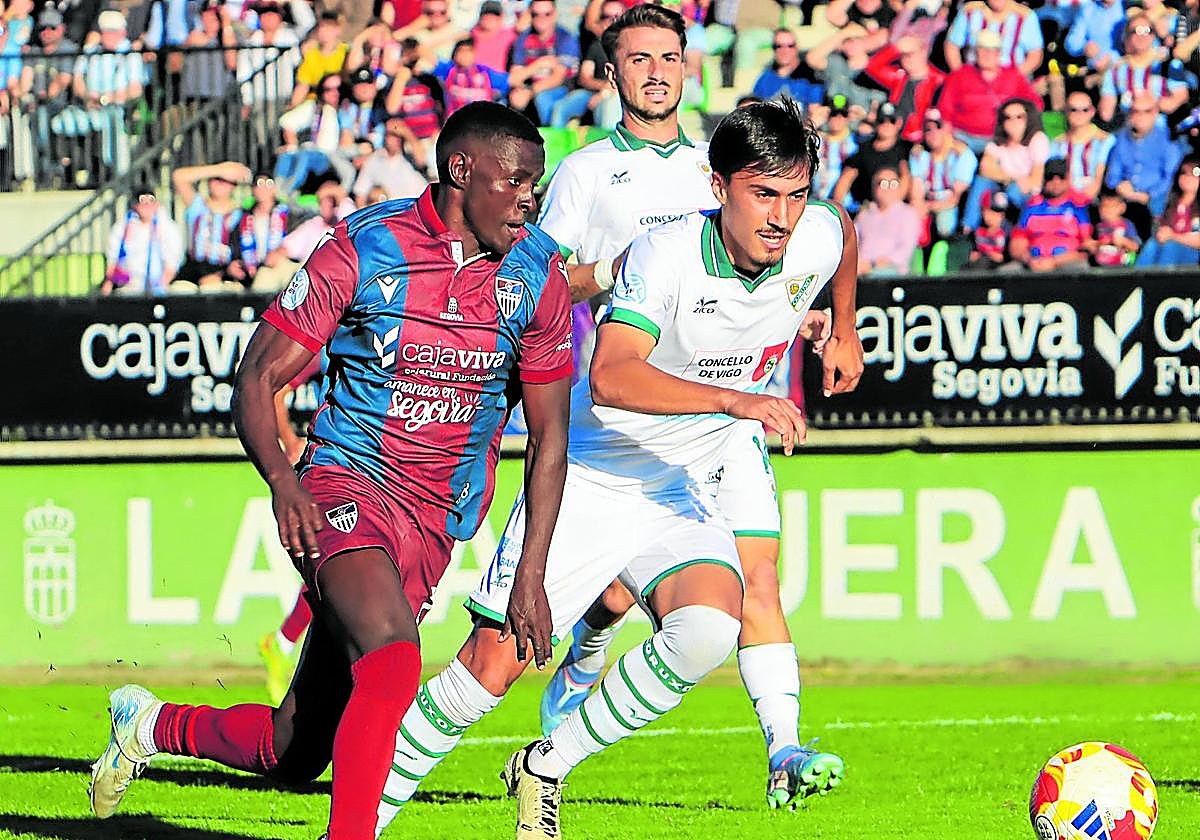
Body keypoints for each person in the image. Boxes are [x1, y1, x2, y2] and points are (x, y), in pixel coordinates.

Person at [372, 98, 864, 839]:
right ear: (718, 185)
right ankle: (361, 822)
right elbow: (609, 376)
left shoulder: (814, 234)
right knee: (492, 668)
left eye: (795, 195)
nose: (782, 217)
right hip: (596, 474)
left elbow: (842, 233)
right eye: (763, 194)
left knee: (707, 628)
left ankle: (545, 765)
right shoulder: (665, 254)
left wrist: (845, 327)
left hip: (677, 485)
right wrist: (737, 400)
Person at [87, 101, 574, 840]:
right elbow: (257, 378)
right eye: (514, 182)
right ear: (460, 170)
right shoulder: (365, 246)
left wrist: (529, 573)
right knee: (393, 658)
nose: (527, 200)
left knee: (295, 748)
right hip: (345, 484)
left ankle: (150, 724)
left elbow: (549, 438)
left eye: (534, 185)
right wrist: (285, 483)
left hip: (434, 523)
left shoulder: (538, 274)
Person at [937, 28, 1040, 155]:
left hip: (1001, 140)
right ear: (976, 52)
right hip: (963, 138)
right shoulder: (959, 76)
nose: (987, 54)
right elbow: (945, 111)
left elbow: (1035, 105)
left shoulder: (1014, 77)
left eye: (992, 50)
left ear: (999, 53)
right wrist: (947, 143)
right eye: (982, 49)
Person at [1104, 94, 1186, 238]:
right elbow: (1113, 174)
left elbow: (1171, 177)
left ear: (1155, 112)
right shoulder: (1121, 138)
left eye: (1147, 111)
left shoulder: (1168, 140)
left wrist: (1149, 195)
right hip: (1126, 198)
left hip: (1157, 200)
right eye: (1135, 111)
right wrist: (1120, 185)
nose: (1140, 116)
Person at [962, 98, 1048, 232]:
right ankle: (968, 229)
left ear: (1028, 118)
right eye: (1008, 117)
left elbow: (1035, 180)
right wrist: (1014, 178)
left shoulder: (1037, 139)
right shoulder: (998, 141)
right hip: (1007, 183)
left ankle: (1011, 232)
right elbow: (985, 168)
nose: (1013, 122)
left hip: (1027, 192)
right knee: (981, 182)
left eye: (1019, 117)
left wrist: (1012, 180)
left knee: (1015, 190)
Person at [172, 160, 249, 290]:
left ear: (233, 185)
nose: (219, 183)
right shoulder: (198, 206)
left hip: (224, 273)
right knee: (178, 290)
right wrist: (220, 169)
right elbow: (178, 177)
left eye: (225, 180)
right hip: (194, 270)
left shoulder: (240, 214)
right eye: (216, 179)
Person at [1008, 157, 1091, 272]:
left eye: (1061, 177)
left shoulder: (1078, 207)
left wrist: (1054, 261)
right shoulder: (1031, 208)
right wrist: (1029, 260)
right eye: (1050, 177)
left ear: (1068, 178)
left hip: (1067, 263)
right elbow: (1017, 244)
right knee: (1007, 272)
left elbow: (1087, 248)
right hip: (1033, 263)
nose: (1056, 182)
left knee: (1080, 268)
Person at [506, 0, 580, 126]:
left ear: (555, 14)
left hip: (563, 90)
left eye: (547, 14)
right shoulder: (523, 39)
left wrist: (530, 92)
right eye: (536, 14)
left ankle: (549, 135)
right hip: (529, 88)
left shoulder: (565, 38)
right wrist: (539, 65)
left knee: (543, 98)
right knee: (511, 100)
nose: (541, 19)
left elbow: (557, 78)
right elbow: (514, 78)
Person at [908, 108, 977, 241]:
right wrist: (920, 207)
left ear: (947, 129)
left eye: (938, 127)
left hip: (948, 205)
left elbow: (954, 198)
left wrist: (929, 207)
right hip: (927, 202)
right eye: (928, 129)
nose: (934, 133)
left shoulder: (962, 155)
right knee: (912, 220)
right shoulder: (919, 154)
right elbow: (916, 194)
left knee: (944, 225)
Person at [101, 185, 184, 296]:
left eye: (150, 201)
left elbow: (172, 264)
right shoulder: (123, 227)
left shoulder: (167, 227)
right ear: (136, 206)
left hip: (160, 287)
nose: (146, 206)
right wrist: (110, 283)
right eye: (142, 202)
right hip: (129, 287)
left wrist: (159, 286)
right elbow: (113, 262)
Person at [863, 34, 945, 143]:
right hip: (896, 134)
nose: (907, 60)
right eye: (904, 55)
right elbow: (872, 66)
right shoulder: (899, 77)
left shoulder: (939, 81)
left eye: (911, 54)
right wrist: (895, 49)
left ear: (923, 53)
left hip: (920, 138)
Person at [833, 101, 910, 214]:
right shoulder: (864, 148)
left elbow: (906, 178)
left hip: (896, 210)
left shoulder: (906, 149)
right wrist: (837, 209)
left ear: (898, 123)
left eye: (891, 121)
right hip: (867, 209)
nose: (886, 125)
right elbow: (846, 178)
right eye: (882, 121)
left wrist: (891, 208)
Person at [228, 173, 297, 291]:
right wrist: (232, 266)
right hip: (250, 275)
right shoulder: (241, 218)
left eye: (268, 183)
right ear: (252, 189)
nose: (263, 188)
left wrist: (282, 253)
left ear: (274, 188)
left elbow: (298, 243)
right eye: (259, 184)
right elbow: (234, 250)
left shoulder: (289, 216)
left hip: (279, 272)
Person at [943, 0, 1044, 78]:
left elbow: (1035, 54)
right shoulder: (969, 11)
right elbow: (951, 46)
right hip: (973, 78)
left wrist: (1014, 77)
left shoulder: (1025, 16)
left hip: (1011, 80)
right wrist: (961, 75)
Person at [1050, 91, 1113, 203]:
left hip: (1095, 199)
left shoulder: (1105, 140)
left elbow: (1098, 179)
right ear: (1066, 111)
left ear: (1092, 112)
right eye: (1073, 109)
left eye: (1085, 110)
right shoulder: (1057, 143)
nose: (1079, 114)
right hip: (1064, 198)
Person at [855, 166, 921, 274]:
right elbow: (852, 241)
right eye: (883, 183)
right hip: (860, 269)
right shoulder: (864, 215)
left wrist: (873, 265)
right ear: (874, 187)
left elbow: (905, 250)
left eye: (893, 183)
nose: (888, 188)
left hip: (892, 271)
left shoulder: (908, 214)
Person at [1137, 157, 1200, 266]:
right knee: (1152, 244)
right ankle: (1137, 276)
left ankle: (1164, 277)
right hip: (1164, 246)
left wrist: (1173, 236)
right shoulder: (1168, 202)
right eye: (1183, 172)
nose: (1188, 177)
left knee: (1170, 246)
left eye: (1195, 173)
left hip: (1190, 253)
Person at [352, 117, 429, 205]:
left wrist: (406, 133)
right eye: (393, 135)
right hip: (393, 210)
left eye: (400, 135)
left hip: (418, 207)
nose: (397, 139)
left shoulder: (410, 155)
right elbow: (360, 194)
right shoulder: (373, 160)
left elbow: (422, 160)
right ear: (385, 136)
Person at [751, 26, 823, 105]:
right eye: (779, 46)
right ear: (773, 48)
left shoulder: (810, 77)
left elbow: (816, 108)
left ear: (797, 48)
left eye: (790, 46)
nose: (785, 50)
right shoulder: (764, 79)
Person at [290, 11, 349, 107]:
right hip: (316, 102)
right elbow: (303, 85)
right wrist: (293, 107)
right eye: (321, 27)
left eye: (329, 28)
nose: (323, 31)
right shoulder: (311, 54)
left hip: (341, 101)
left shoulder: (346, 51)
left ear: (338, 30)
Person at [1085, 191, 1142, 267]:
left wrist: (1123, 241)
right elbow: (1096, 247)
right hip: (1104, 265)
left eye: (1112, 206)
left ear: (1122, 207)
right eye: (1103, 206)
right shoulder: (1099, 226)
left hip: (1124, 266)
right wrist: (1093, 245)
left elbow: (1136, 247)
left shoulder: (1127, 224)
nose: (1107, 210)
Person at [967, 189, 1011, 269]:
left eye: (997, 214)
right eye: (989, 212)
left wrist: (990, 254)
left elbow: (1005, 257)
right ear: (982, 212)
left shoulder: (1008, 232)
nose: (992, 217)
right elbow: (973, 252)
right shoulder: (977, 230)